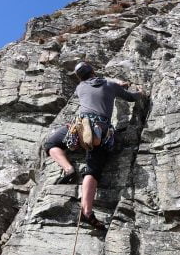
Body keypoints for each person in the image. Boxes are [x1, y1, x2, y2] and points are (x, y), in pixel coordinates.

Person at [43, 62, 141, 230]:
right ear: (93, 70)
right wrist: (141, 93)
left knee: (51, 143)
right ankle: (87, 211)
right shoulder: (109, 85)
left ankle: (68, 169)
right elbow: (130, 97)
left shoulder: (80, 88)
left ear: (80, 77)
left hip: (79, 128)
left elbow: (96, 82)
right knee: (93, 170)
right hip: (100, 132)